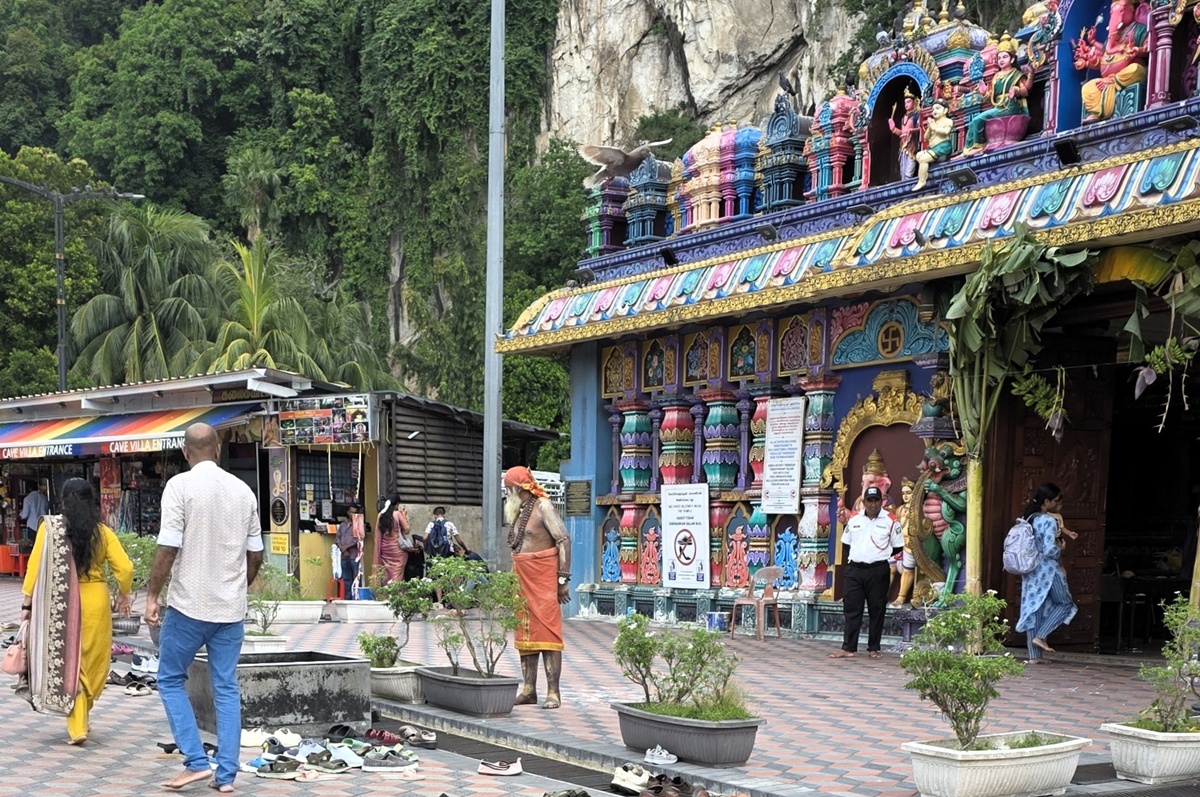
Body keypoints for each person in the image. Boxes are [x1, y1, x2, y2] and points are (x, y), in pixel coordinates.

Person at [144, 423, 263, 793]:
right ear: (217, 447)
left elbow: (167, 549)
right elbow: (255, 554)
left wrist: (151, 595)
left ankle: (196, 761)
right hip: (230, 611)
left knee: (169, 678)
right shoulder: (244, 492)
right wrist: (237, 587)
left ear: (185, 452)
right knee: (226, 688)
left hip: (188, 605)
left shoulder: (179, 487)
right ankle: (225, 777)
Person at [19, 478, 132, 744]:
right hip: (96, 601)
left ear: (64, 501)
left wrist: (27, 604)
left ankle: (78, 724)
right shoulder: (102, 532)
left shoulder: (50, 530)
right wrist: (124, 594)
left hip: (64, 601)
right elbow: (125, 569)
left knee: (72, 659)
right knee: (95, 659)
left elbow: (34, 569)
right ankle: (81, 717)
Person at [504, 466, 571, 709]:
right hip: (522, 579)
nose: (506, 492)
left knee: (548, 633)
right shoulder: (520, 510)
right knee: (525, 633)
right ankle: (529, 689)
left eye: (508, 488)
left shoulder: (543, 506)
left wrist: (562, 579)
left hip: (544, 578)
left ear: (518, 488)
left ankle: (553, 692)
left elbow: (563, 539)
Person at [830, 486, 902, 660]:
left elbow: (898, 546)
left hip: (878, 570)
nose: (873, 504)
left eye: (876, 500)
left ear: (881, 502)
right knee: (852, 608)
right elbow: (846, 543)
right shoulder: (854, 519)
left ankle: (874, 647)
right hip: (855, 570)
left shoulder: (891, 520)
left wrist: (877, 556)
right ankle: (848, 647)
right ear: (864, 502)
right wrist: (861, 555)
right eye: (869, 500)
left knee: (877, 609)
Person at [1014, 483, 1077, 665]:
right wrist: (1061, 548)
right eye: (1057, 501)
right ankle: (1041, 636)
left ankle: (1035, 656)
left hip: (1031, 570)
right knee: (1065, 603)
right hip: (1049, 570)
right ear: (1046, 501)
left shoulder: (1028, 518)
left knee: (1036, 608)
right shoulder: (1048, 521)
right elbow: (1050, 549)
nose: (1059, 504)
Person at [1076, 0, 1148, 123]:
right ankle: (1096, 114)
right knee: (1087, 88)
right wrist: (1092, 58)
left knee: (1136, 69)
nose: (1115, 17)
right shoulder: (1112, 37)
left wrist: (1138, 50)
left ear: (1133, 10)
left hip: (1125, 75)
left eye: (1121, 11)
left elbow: (1149, 46)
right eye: (1112, 13)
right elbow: (1105, 58)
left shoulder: (1139, 30)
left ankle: (1112, 84)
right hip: (1107, 78)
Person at [961, 36, 1029, 156]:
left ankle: (978, 146)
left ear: (1012, 59)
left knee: (977, 120)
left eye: (1005, 57)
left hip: (1010, 107)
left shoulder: (1017, 74)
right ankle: (968, 148)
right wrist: (984, 92)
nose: (1001, 60)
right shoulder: (996, 77)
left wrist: (1017, 90)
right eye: (999, 58)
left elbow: (1026, 91)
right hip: (999, 107)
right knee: (973, 121)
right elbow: (991, 99)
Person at [913, 99, 954, 190]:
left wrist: (935, 128)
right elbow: (926, 138)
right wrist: (929, 128)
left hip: (943, 147)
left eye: (938, 108)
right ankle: (925, 172)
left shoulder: (948, 121)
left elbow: (946, 131)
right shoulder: (934, 123)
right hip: (933, 148)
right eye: (933, 109)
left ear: (945, 110)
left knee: (923, 159)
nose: (934, 111)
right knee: (918, 155)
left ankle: (922, 180)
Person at [374, 495, 415, 583]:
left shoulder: (380, 515)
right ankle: (395, 593)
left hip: (384, 549)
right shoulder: (397, 514)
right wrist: (404, 516)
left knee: (387, 572)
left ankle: (386, 592)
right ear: (397, 504)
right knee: (397, 572)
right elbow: (407, 530)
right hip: (397, 549)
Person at [888, 88, 921, 180]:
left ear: (914, 102)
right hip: (903, 145)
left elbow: (921, 128)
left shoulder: (916, 115)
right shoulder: (904, 117)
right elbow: (902, 133)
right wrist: (893, 129)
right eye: (905, 102)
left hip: (912, 145)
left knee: (909, 171)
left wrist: (912, 130)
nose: (906, 104)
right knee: (902, 170)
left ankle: (908, 184)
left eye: (909, 102)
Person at [336, 504, 365, 599]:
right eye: (351, 512)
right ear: (348, 512)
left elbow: (359, 539)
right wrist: (342, 549)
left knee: (356, 580)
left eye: (355, 512)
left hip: (354, 556)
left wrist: (346, 548)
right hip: (344, 556)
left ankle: (356, 600)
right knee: (346, 580)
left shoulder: (358, 524)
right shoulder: (343, 525)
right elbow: (337, 538)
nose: (353, 514)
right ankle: (348, 600)